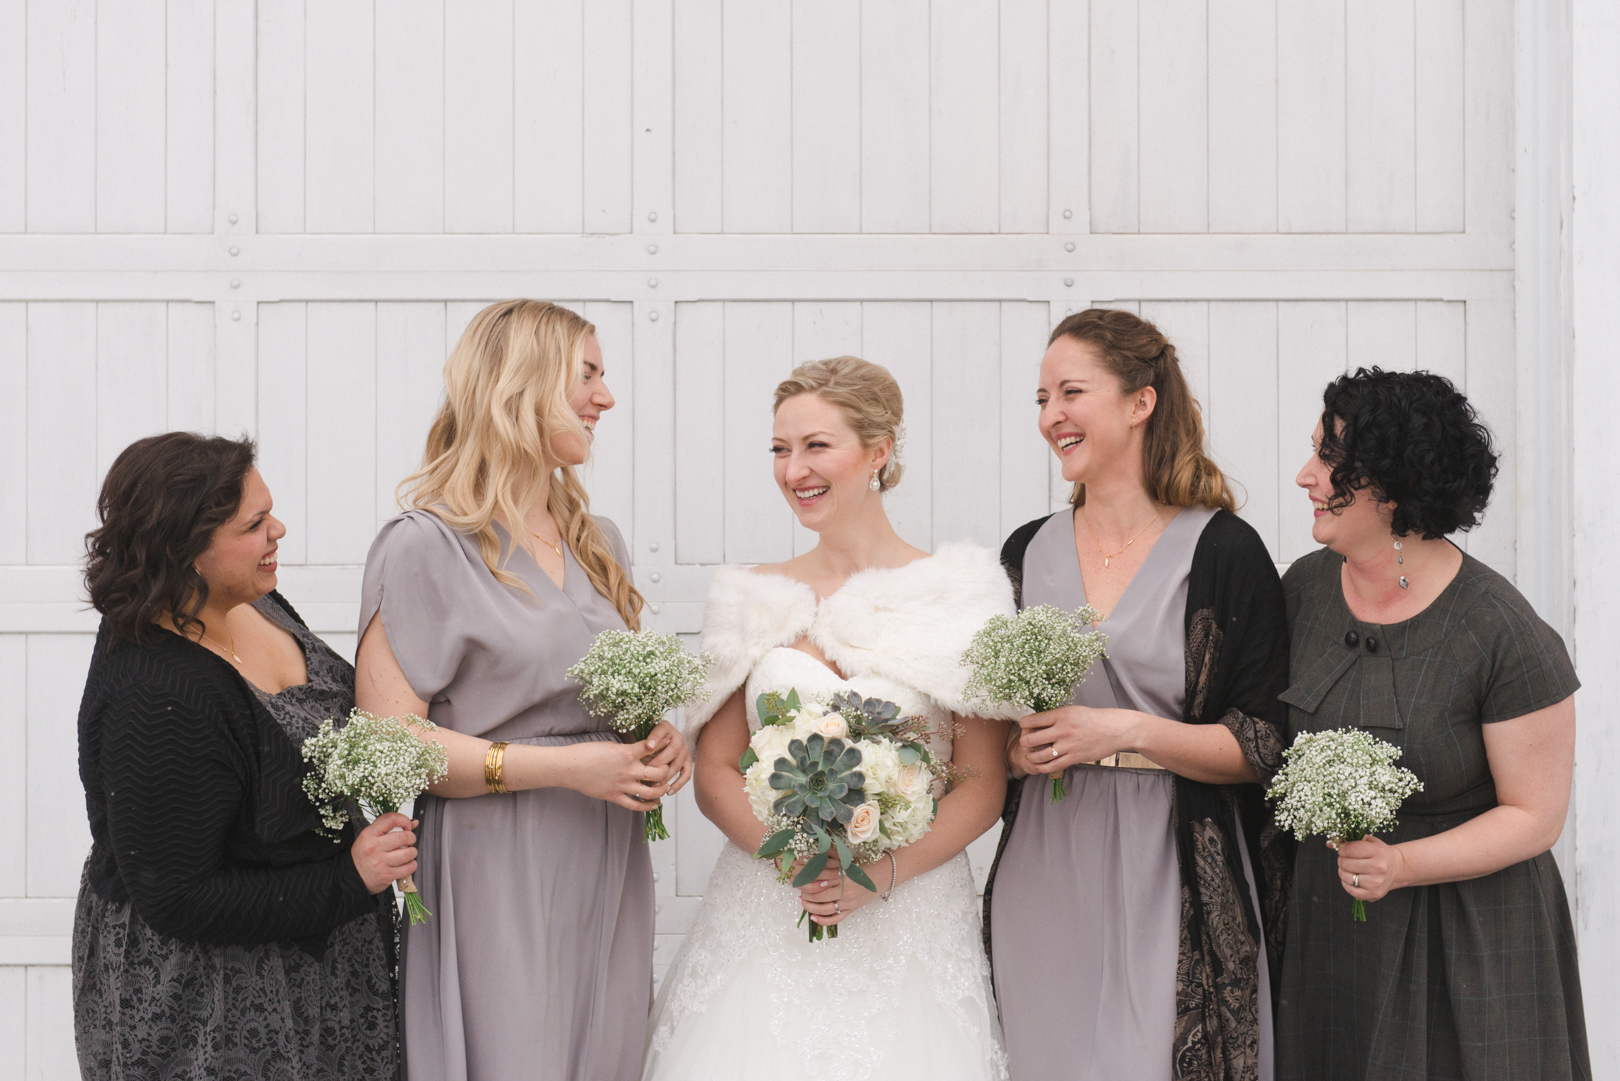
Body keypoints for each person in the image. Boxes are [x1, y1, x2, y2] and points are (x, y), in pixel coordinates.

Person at [644, 357, 1015, 1081]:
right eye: (780, 449)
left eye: (816, 445)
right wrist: (796, 859)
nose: (793, 469)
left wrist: (877, 875)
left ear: (879, 451)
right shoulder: (752, 596)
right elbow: (717, 770)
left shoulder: (960, 595)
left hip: (909, 910)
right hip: (770, 901)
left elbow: (979, 784)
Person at [353, 299, 690, 1081]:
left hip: (605, 855)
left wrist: (655, 736)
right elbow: (388, 745)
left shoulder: (596, 540)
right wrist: (571, 768)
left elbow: (598, 698)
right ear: (520, 385)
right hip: (494, 865)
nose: (606, 397)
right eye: (589, 375)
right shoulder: (424, 546)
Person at [985, 309, 1291, 1081]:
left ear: (1140, 401)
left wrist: (1123, 730)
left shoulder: (1225, 550)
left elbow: (1263, 745)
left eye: (1071, 392)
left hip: (1173, 862)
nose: (1052, 414)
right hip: (1045, 866)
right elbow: (990, 732)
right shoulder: (1025, 552)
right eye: (1041, 398)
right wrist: (1017, 753)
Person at [1276, 368, 1588, 1080]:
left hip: (1471, 941)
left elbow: (1536, 815)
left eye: (1328, 459)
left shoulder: (1502, 630)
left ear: (1390, 485)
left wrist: (1401, 864)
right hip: (1335, 934)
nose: (1305, 476)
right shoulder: (1303, 590)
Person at [73, 432, 408, 1081]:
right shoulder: (156, 691)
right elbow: (177, 897)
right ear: (183, 549)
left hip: (318, 966)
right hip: (215, 1006)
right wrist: (349, 879)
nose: (278, 529)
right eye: (254, 524)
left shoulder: (253, 600)